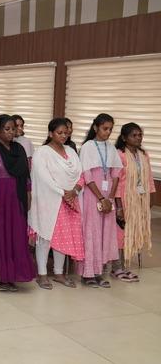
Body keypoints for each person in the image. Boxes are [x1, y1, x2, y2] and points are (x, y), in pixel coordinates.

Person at [0, 114, 35, 292]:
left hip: (16, 198)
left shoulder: (19, 149)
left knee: (15, 236)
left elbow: (25, 175)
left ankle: (10, 276)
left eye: (13, 129)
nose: (11, 132)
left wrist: (28, 196)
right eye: (7, 129)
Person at [28, 118, 84, 290]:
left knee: (63, 238)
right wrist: (64, 193)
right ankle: (42, 274)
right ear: (50, 133)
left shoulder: (71, 151)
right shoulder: (42, 153)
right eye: (60, 133)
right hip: (49, 200)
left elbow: (80, 174)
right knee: (45, 237)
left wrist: (74, 192)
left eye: (66, 133)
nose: (63, 136)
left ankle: (59, 273)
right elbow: (44, 178)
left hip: (70, 200)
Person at [77, 113, 122, 288]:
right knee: (92, 232)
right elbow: (87, 176)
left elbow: (116, 174)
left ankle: (100, 273)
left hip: (108, 195)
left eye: (110, 129)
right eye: (105, 128)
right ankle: (88, 273)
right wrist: (101, 198)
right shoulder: (88, 147)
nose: (108, 132)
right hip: (93, 195)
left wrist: (110, 198)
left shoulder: (111, 148)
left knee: (105, 234)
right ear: (96, 128)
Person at [112, 123, 155, 282]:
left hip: (139, 200)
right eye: (133, 135)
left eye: (139, 135)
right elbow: (116, 181)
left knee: (132, 233)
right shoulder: (120, 154)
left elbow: (148, 177)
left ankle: (125, 267)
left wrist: (150, 197)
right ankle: (116, 268)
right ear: (124, 138)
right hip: (123, 200)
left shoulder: (143, 154)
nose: (138, 138)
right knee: (120, 234)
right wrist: (119, 207)